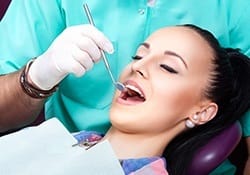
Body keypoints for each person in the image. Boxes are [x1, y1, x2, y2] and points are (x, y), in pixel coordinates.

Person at [0, 1, 250, 174]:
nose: (137, 68)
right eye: (137, 56)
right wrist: (37, 77)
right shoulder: (62, 142)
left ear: (202, 112)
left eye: (168, 67)